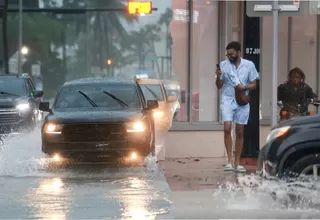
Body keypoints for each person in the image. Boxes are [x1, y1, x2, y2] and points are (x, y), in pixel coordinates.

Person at [215, 41, 259, 173]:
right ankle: (229, 161)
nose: (230, 57)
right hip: (227, 98)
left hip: (242, 100)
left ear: (239, 52)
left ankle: (237, 162)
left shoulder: (249, 65)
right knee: (227, 127)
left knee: (240, 130)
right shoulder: (224, 65)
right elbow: (219, 85)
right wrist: (218, 76)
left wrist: (244, 87)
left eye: (232, 54)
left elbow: (254, 84)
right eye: (228, 55)